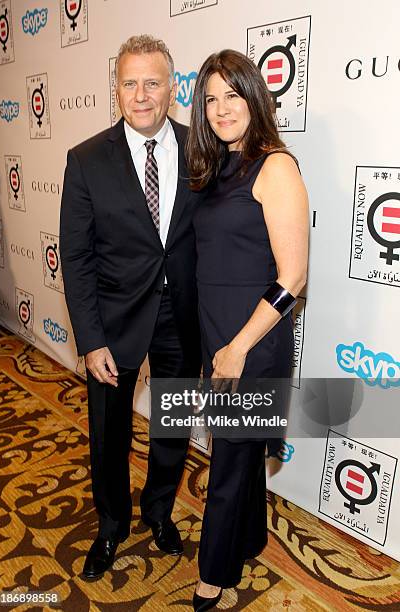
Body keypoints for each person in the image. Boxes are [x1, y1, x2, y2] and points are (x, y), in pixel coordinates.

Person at [60, 35, 201, 581]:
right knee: (108, 431)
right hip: (113, 323)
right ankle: (111, 525)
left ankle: (161, 510)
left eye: (152, 82)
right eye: (129, 83)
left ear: (172, 87)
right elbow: (75, 256)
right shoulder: (86, 159)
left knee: (172, 424)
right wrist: (90, 339)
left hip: (181, 319)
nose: (141, 95)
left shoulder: (200, 149)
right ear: (115, 88)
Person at [186, 49, 309, 610]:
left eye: (231, 94)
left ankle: (213, 572)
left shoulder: (275, 166)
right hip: (219, 337)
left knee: (227, 462)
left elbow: (293, 277)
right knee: (236, 451)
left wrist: (236, 348)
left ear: (253, 96)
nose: (220, 108)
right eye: (210, 99)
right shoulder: (214, 168)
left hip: (251, 343)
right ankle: (251, 538)